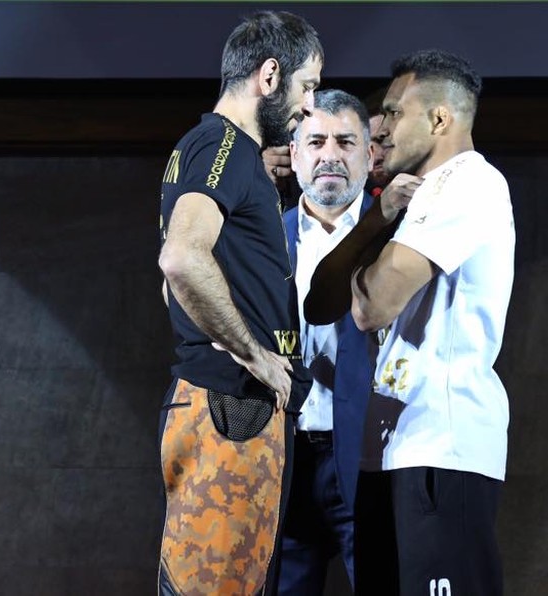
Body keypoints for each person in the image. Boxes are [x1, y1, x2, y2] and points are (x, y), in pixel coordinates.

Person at [305, 49, 514, 595]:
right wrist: (376, 218)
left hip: (442, 446)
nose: (382, 129)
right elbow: (321, 305)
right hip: (395, 447)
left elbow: (372, 305)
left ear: (440, 119)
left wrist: (367, 269)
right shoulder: (418, 197)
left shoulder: (469, 182)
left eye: (395, 113)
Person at [156, 11, 322, 595]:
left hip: (233, 412)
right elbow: (179, 261)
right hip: (229, 408)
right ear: (270, 76)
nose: (309, 106)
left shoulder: (232, 153)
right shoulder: (220, 144)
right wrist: (253, 354)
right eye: (308, 86)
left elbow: (178, 277)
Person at [277, 89, 378, 594]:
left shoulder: (399, 237)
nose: (330, 155)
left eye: (345, 141)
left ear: (370, 154)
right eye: (315, 141)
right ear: (294, 154)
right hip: (285, 460)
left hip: (370, 457)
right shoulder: (265, 238)